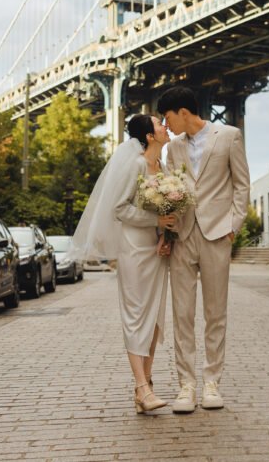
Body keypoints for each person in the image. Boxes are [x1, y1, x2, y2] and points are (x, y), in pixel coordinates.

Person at [70, 114, 177, 414]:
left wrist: (164, 233)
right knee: (135, 316)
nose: (165, 126)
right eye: (159, 124)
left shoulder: (164, 168)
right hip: (134, 248)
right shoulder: (136, 165)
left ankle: (146, 386)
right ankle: (142, 387)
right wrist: (155, 220)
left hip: (156, 250)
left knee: (154, 317)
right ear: (149, 135)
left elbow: (166, 208)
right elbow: (120, 208)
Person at [157, 86, 250, 414]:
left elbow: (242, 186)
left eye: (168, 118)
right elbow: (173, 191)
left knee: (215, 313)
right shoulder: (172, 149)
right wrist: (165, 226)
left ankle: (212, 382)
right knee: (182, 314)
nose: (166, 126)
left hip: (216, 236)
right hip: (183, 237)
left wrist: (232, 228)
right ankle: (187, 385)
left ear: (183, 111)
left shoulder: (229, 136)